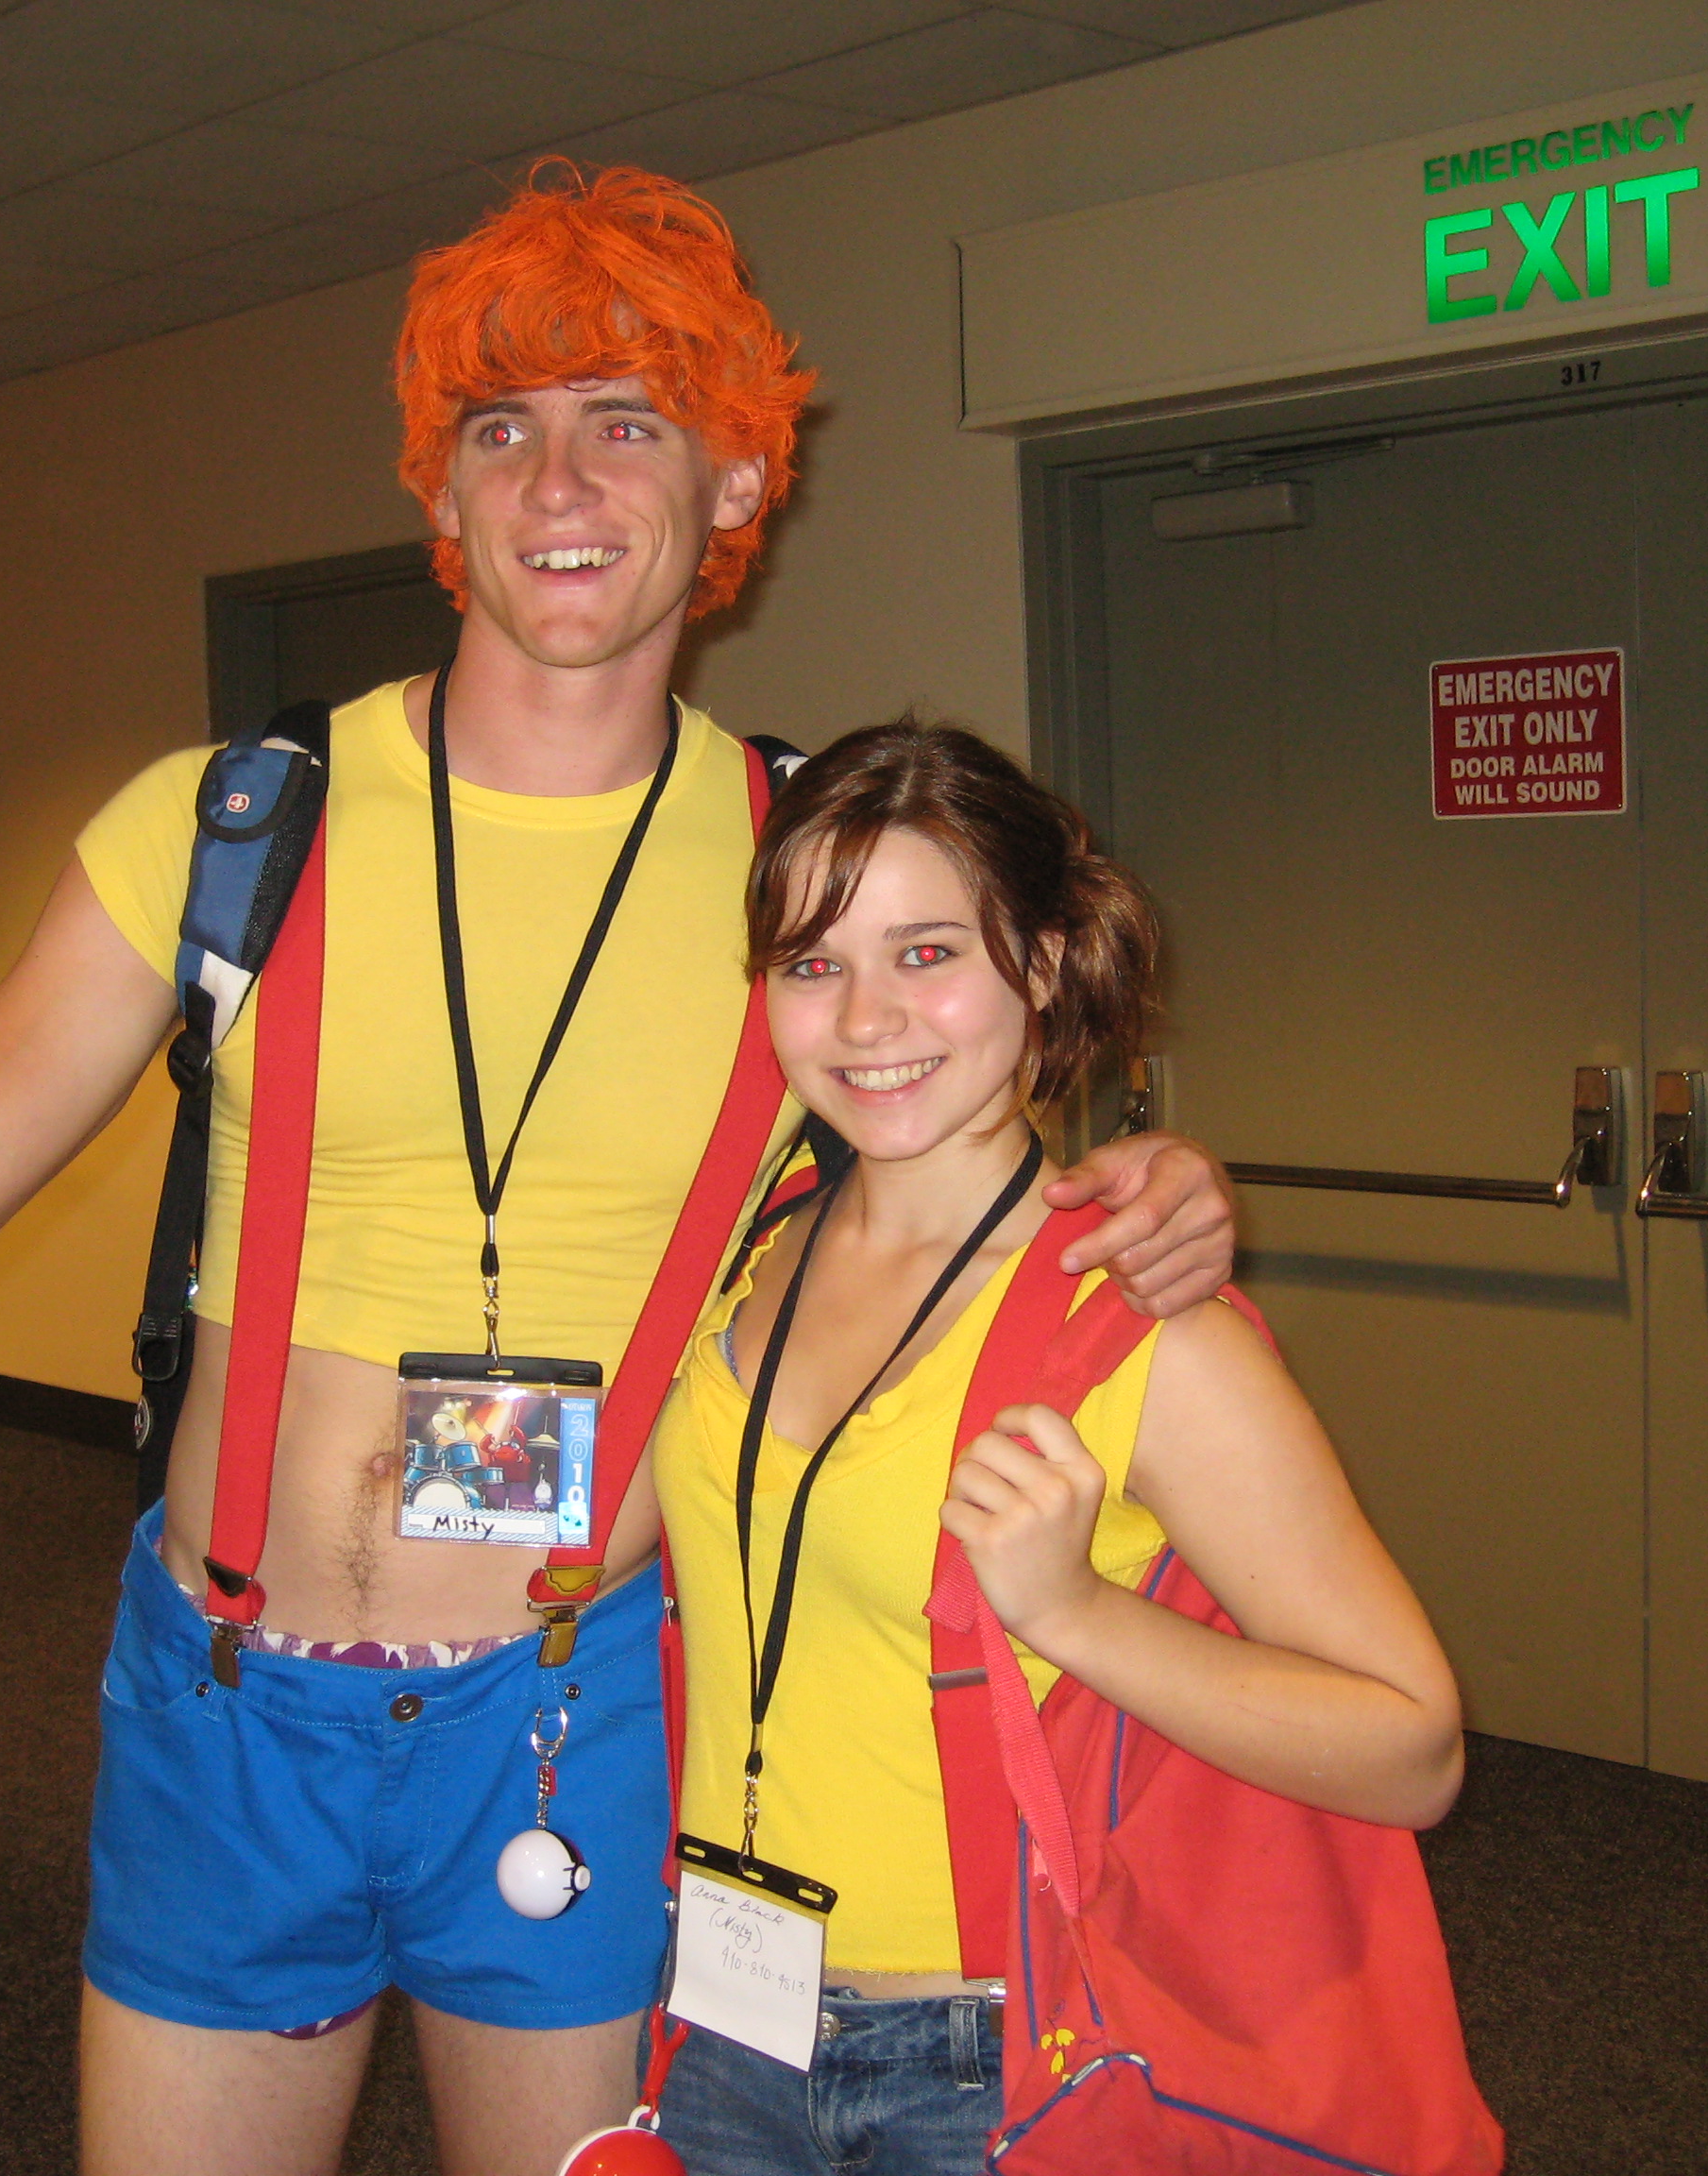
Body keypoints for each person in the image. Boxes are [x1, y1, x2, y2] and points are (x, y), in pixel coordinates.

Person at [0, 168, 1240, 2176]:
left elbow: (958, 1143)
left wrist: (1146, 1188)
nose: (560, 481)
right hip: (226, 1704)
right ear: (440, 491)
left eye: (630, 423)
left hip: (580, 1708)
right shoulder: (229, 826)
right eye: (501, 429)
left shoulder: (808, 875)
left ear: (732, 486)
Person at [650, 720, 1464, 2176]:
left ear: (1040, 962)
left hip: (987, 2060)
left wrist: (1075, 1610)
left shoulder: (1143, 1327)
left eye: (927, 953)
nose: (865, 1018)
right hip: (722, 2014)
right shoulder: (751, 1247)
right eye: (813, 964)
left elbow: (1414, 1748)